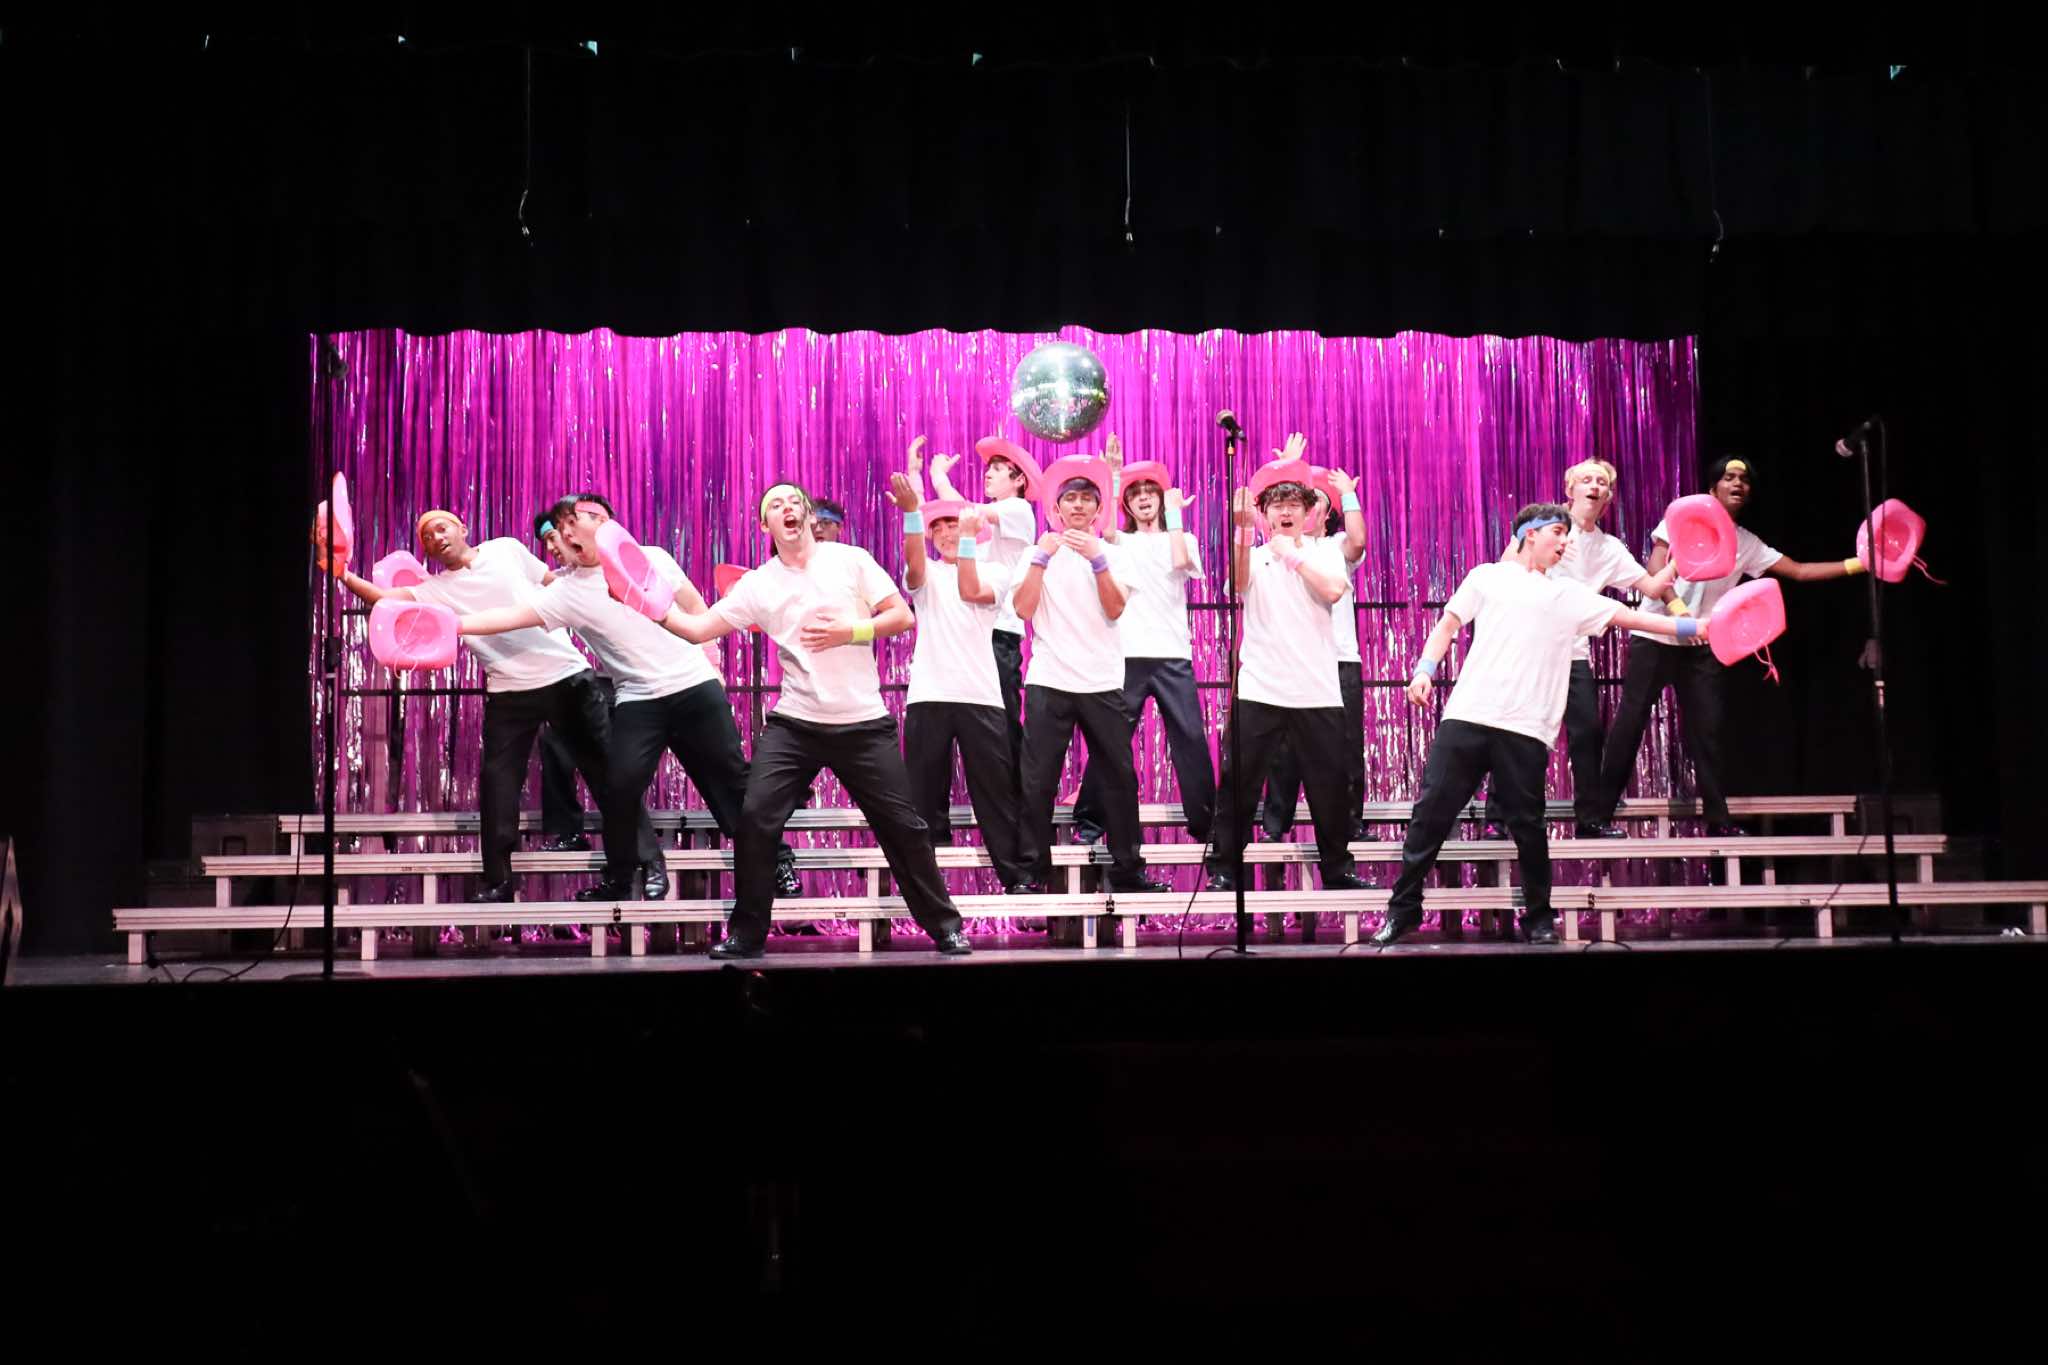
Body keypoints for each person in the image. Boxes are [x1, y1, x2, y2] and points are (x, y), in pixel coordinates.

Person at [652, 480, 971, 958]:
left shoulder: (850, 560)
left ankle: (945, 926)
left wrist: (852, 631)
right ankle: (747, 934)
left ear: (807, 515)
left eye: (793, 501)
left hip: (863, 724)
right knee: (755, 818)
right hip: (796, 725)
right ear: (765, 525)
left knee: (904, 827)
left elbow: (901, 616)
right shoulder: (758, 584)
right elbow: (698, 628)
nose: (787, 508)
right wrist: (648, 605)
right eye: (775, 505)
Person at [1372, 502, 1712, 947]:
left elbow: (1635, 618)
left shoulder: (1568, 595)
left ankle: (1538, 919)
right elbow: (1448, 623)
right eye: (1557, 532)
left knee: (1528, 827)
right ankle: (1403, 910)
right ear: (1529, 533)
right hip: (1469, 716)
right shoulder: (1487, 577)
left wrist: (1699, 626)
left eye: (1567, 535)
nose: (1565, 542)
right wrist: (1423, 669)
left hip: (1526, 728)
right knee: (1429, 817)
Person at [451, 494, 802, 902]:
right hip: (638, 700)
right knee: (618, 787)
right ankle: (620, 877)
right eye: (560, 529)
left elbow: (693, 604)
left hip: (693, 686)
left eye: (573, 522)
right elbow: (507, 618)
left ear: (603, 523)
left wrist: (711, 661)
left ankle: (777, 862)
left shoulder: (651, 557)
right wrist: (451, 623)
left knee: (731, 785)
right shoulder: (566, 592)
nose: (565, 534)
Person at [325, 509, 637, 903]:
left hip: (566, 676)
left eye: (441, 528)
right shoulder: (434, 589)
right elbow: (384, 599)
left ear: (463, 528)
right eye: (427, 537)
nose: (436, 538)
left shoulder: (506, 549)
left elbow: (554, 584)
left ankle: (641, 863)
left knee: (608, 773)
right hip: (509, 690)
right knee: (498, 785)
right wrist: (342, 574)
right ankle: (498, 881)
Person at [1590, 455, 1867, 836]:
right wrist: (1680, 613)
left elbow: (1799, 571)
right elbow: (1654, 569)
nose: (1737, 483)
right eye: (1729, 477)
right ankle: (1599, 815)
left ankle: (1718, 821)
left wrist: (1859, 564)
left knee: (1709, 731)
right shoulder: (1685, 518)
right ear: (1713, 487)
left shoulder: (1746, 543)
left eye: (1744, 479)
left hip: (1703, 645)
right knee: (1630, 724)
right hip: (1657, 635)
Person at [1202, 448, 1373, 895]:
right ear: (1264, 514)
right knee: (1239, 784)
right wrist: (1243, 531)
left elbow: (1333, 590)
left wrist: (1293, 557)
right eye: (1276, 504)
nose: (1285, 511)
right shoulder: (1255, 554)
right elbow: (1238, 584)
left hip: (1317, 691)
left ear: (1309, 511)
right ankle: (1225, 867)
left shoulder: (1323, 552)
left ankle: (1337, 868)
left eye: (1294, 504)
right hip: (1260, 688)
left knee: (1328, 787)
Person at [1483, 458, 1678, 838]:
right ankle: (1497, 818)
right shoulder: (1546, 527)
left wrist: (1684, 557)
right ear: (1569, 490)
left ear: (1608, 495)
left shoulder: (1609, 548)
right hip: (1528, 648)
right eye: (1585, 480)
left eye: (1601, 482)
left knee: (1587, 733)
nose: (1594, 486)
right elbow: (1506, 568)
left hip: (1572, 653)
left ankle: (1590, 820)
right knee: (1515, 731)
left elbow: (1652, 588)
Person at [1011, 454, 1170, 897]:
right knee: (1037, 780)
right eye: (1070, 499)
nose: (1078, 505)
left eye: (1086, 499)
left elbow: (1115, 608)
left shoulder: (1115, 554)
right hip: (1048, 680)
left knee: (1119, 778)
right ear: (1056, 508)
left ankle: (1128, 871)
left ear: (1099, 510)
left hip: (1102, 681)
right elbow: (1023, 609)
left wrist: (1098, 560)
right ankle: (1032, 873)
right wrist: (1041, 559)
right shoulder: (1034, 553)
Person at [887, 441, 1038, 893]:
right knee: (923, 796)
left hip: (980, 697)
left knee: (995, 793)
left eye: (953, 525)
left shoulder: (994, 572)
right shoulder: (928, 574)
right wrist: (914, 514)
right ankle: (924, 887)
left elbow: (972, 591)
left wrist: (966, 534)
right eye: (939, 528)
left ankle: (1015, 877)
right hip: (929, 695)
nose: (947, 534)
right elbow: (915, 568)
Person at [1070, 435, 1216, 849]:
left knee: (1190, 738)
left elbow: (1180, 561)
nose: (1144, 498)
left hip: (1172, 656)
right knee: (1111, 740)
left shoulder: (1182, 538)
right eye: (1136, 494)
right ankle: (1089, 822)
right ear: (1128, 505)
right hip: (1127, 655)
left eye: (1151, 491)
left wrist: (1176, 515)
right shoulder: (1122, 541)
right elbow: (1107, 531)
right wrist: (1113, 475)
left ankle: (1207, 825)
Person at [1261, 467, 1371, 846]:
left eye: (1313, 501)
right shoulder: (1282, 548)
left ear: (1323, 512)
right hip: (1293, 660)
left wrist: (1348, 494)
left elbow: (1358, 540)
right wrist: (1288, 470)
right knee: (1283, 748)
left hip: (1339, 660)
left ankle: (1351, 823)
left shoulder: (1334, 547)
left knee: (1346, 746)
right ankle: (1275, 824)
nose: (1302, 509)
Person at [929, 438, 1044, 791]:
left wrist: (938, 479)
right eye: (988, 469)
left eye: (997, 469)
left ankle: (1018, 798)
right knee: (979, 718)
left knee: (1002, 717)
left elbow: (966, 512)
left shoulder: (1018, 510)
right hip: (973, 631)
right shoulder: (989, 523)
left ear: (1019, 480)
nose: (988, 474)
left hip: (1000, 631)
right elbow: (964, 516)